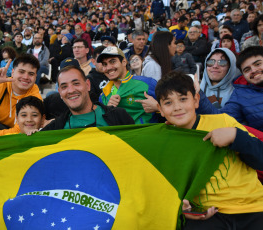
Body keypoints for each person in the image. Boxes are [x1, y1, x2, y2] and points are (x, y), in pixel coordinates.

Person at [155, 71, 263, 230]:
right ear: (160, 109)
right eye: (168, 102)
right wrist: (181, 207)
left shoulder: (223, 121)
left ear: (196, 100)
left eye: (183, 99)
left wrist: (236, 137)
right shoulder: (162, 142)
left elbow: (260, 158)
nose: (177, 107)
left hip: (253, 208)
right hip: (208, 216)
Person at [42, 65, 134, 131]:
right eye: (64, 87)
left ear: (88, 85)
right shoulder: (53, 129)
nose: (71, 90)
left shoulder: (119, 116)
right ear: (60, 93)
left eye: (76, 83)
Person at [198, 46, 263, 132]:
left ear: (230, 68)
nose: (254, 70)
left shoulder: (234, 90)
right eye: (247, 69)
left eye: (258, 64)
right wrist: (197, 92)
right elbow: (222, 120)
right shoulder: (240, 95)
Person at [98, 46, 158, 124]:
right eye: (105, 64)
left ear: (124, 62)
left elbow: (172, 108)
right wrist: (108, 111)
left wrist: (158, 107)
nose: (108, 67)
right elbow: (102, 124)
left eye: (112, 62)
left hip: (146, 134)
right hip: (121, 136)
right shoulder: (103, 96)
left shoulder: (147, 83)